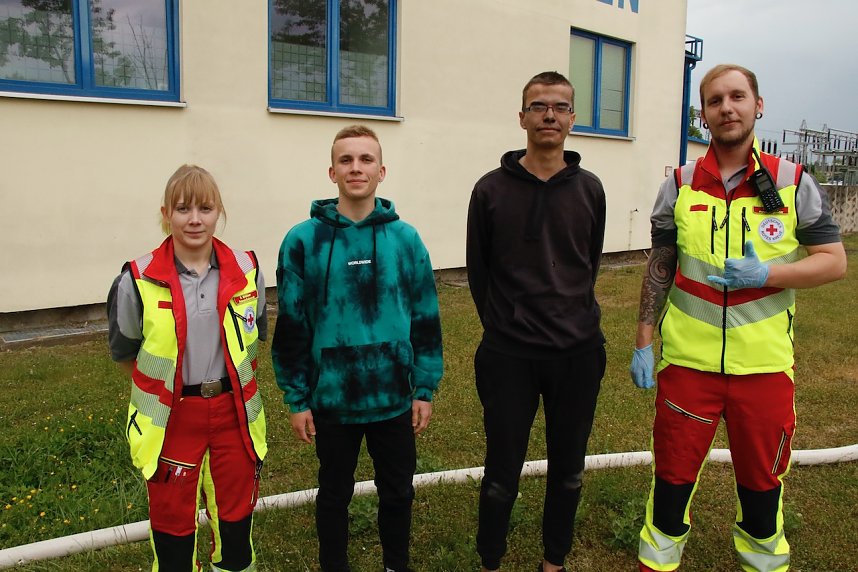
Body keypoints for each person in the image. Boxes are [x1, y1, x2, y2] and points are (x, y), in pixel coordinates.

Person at [630, 64, 847, 572]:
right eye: (714, 101)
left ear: (758, 105)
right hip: (688, 368)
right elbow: (661, 263)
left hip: (764, 371)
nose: (726, 108)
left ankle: (762, 562)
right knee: (670, 487)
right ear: (703, 116)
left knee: (761, 493)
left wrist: (768, 274)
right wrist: (643, 337)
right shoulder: (680, 184)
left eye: (737, 97)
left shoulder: (794, 182)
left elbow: (834, 261)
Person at [271, 125, 443, 572]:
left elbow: (425, 317)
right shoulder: (302, 242)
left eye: (366, 160)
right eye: (346, 160)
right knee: (333, 494)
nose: (356, 168)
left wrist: (423, 387)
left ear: (382, 171)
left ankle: (395, 565)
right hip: (332, 400)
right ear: (332, 172)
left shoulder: (406, 240)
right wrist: (296, 398)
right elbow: (291, 325)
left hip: (392, 398)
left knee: (398, 491)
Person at [466, 71, 607, 572]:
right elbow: (479, 274)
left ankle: (554, 560)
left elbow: (586, 264)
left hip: (578, 355)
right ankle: (490, 560)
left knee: (568, 471)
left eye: (560, 106)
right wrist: (507, 326)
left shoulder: (590, 189)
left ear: (572, 118)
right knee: (502, 471)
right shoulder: (490, 190)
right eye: (538, 105)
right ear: (522, 116)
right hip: (509, 356)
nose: (549, 114)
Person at [107, 164, 268, 572]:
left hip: (234, 415)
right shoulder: (137, 279)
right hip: (173, 418)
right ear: (165, 213)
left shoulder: (248, 270)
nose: (194, 219)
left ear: (219, 212)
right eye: (182, 209)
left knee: (235, 527)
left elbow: (252, 343)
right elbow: (125, 353)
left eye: (205, 208)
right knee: (173, 530)